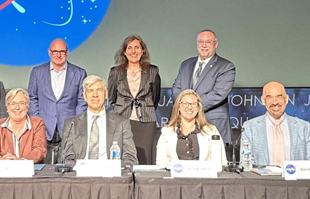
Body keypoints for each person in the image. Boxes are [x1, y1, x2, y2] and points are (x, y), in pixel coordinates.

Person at [27, 38, 87, 163]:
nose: (58, 55)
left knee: (68, 171)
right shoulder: (37, 72)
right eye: (55, 52)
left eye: (62, 51)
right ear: (49, 52)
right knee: (44, 172)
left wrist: (75, 124)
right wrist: (38, 122)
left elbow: (82, 102)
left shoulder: (79, 73)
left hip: (69, 129)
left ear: (67, 52)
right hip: (44, 129)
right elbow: (32, 98)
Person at [172, 29, 235, 144]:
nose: (204, 45)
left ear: (215, 44)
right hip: (185, 125)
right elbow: (176, 89)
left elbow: (218, 94)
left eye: (208, 42)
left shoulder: (226, 66)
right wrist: (186, 108)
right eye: (201, 42)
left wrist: (192, 107)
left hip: (212, 123)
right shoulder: (186, 64)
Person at [62, 75, 138, 168]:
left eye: (99, 90)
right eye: (90, 90)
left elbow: (130, 157)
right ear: (84, 96)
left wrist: (118, 170)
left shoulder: (121, 123)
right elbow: (67, 158)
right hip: (80, 175)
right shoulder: (71, 123)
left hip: (110, 175)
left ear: (106, 94)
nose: (95, 94)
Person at [107, 34, 161, 165]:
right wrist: (122, 109)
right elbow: (112, 98)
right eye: (130, 48)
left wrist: (145, 109)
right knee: (123, 158)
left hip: (146, 123)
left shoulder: (152, 71)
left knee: (145, 158)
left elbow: (155, 97)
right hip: (122, 120)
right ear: (124, 52)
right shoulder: (115, 72)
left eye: (137, 47)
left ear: (143, 51)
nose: (133, 51)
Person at [240, 82, 310, 166]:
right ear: (263, 101)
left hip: (295, 178)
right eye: (269, 97)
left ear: (286, 99)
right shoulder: (249, 127)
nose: (275, 102)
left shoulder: (304, 127)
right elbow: (246, 164)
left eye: (279, 96)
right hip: (262, 179)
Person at [156, 89, 228, 167]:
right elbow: (161, 161)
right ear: (178, 107)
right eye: (185, 103)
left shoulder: (211, 131)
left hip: (203, 176)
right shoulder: (167, 132)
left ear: (198, 108)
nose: (189, 107)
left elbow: (221, 161)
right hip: (176, 176)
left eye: (194, 104)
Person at [0, 88, 47, 163]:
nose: (17, 107)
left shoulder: (37, 123)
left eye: (21, 103)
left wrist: (21, 162)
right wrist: (0, 160)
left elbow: (39, 149)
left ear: (27, 106)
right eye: (13, 103)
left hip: (30, 171)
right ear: (7, 107)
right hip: (5, 170)